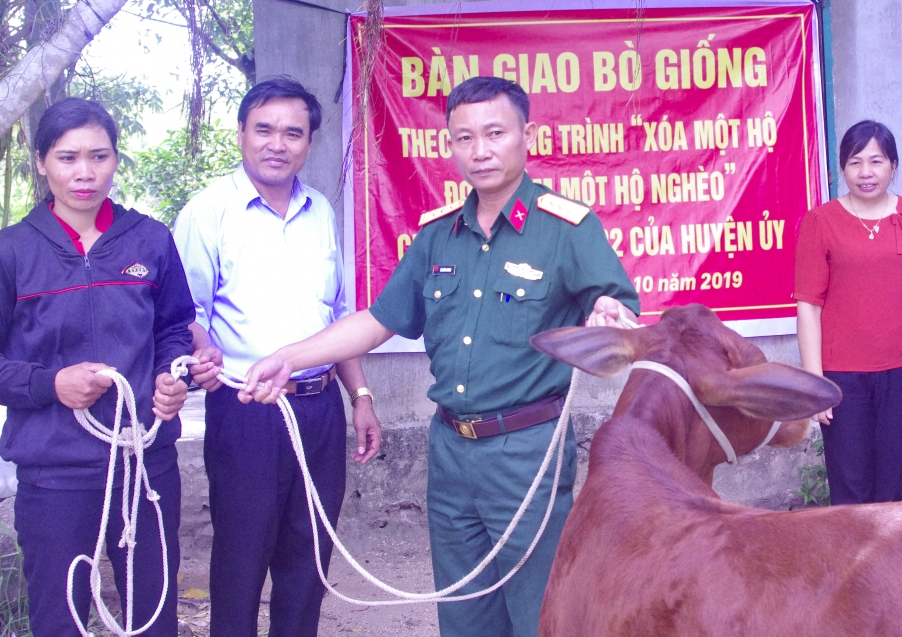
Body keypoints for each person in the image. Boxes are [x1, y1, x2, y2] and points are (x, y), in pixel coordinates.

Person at [244, 76, 639, 637]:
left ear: (527, 135)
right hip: (451, 450)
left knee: (541, 611)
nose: (480, 151)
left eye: (495, 133)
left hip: (526, 451)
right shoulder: (437, 236)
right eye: (463, 138)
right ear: (449, 145)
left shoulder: (566, 228)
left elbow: (616, 310)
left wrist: (604, 311)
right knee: (464, 611)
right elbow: (377, 321)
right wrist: (291, 356)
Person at [172, 77, 382, 636]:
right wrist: (203, 348)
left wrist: (359, 395)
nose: (277, 143)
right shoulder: (207, 212)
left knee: (309, 560)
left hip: (318, 411)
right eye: (263, 129)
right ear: (241, 134)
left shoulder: (320, 212)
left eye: (293, 133)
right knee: (242, 561)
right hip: (247, 411)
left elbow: (338, 317)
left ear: (309, 143)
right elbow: (182, 311)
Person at [0, 98, 193, 635]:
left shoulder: (149, 240)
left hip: (145, 465)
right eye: (67, 158)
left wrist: (171, 378)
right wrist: (49, 384)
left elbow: (174, 330)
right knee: (60, 621)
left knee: (153, 617)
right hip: (55, 473)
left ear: (115, 159)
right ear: (40, 162)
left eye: (99, 156)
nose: (84, 173)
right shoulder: (12, 252)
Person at [794, 120, 902, 504]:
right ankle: (851, 563)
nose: (866, 172)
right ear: (841, 169)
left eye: (876, 161)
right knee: (849, 484)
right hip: (842, 376)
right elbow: (808, 307)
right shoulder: (820, 222)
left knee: (890, 482)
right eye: (855, 162)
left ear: (893, 165)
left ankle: (886, 563)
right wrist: (816, 383)